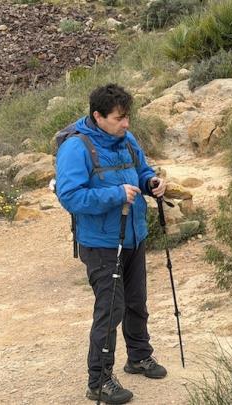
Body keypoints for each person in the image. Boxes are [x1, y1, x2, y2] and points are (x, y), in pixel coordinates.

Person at [55, 84, 167, 404]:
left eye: (127, 116)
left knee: (136, 300)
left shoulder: (126, 139)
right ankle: (99, 380)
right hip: (101, 243)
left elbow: (142, 171)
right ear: (98, 116)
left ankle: (139, 356)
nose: (126, 123)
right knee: (110, 309)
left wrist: (151, 183)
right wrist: (116, 195)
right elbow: (70, 196)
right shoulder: (76, 148)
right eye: (119, 118)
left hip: (133, 235)